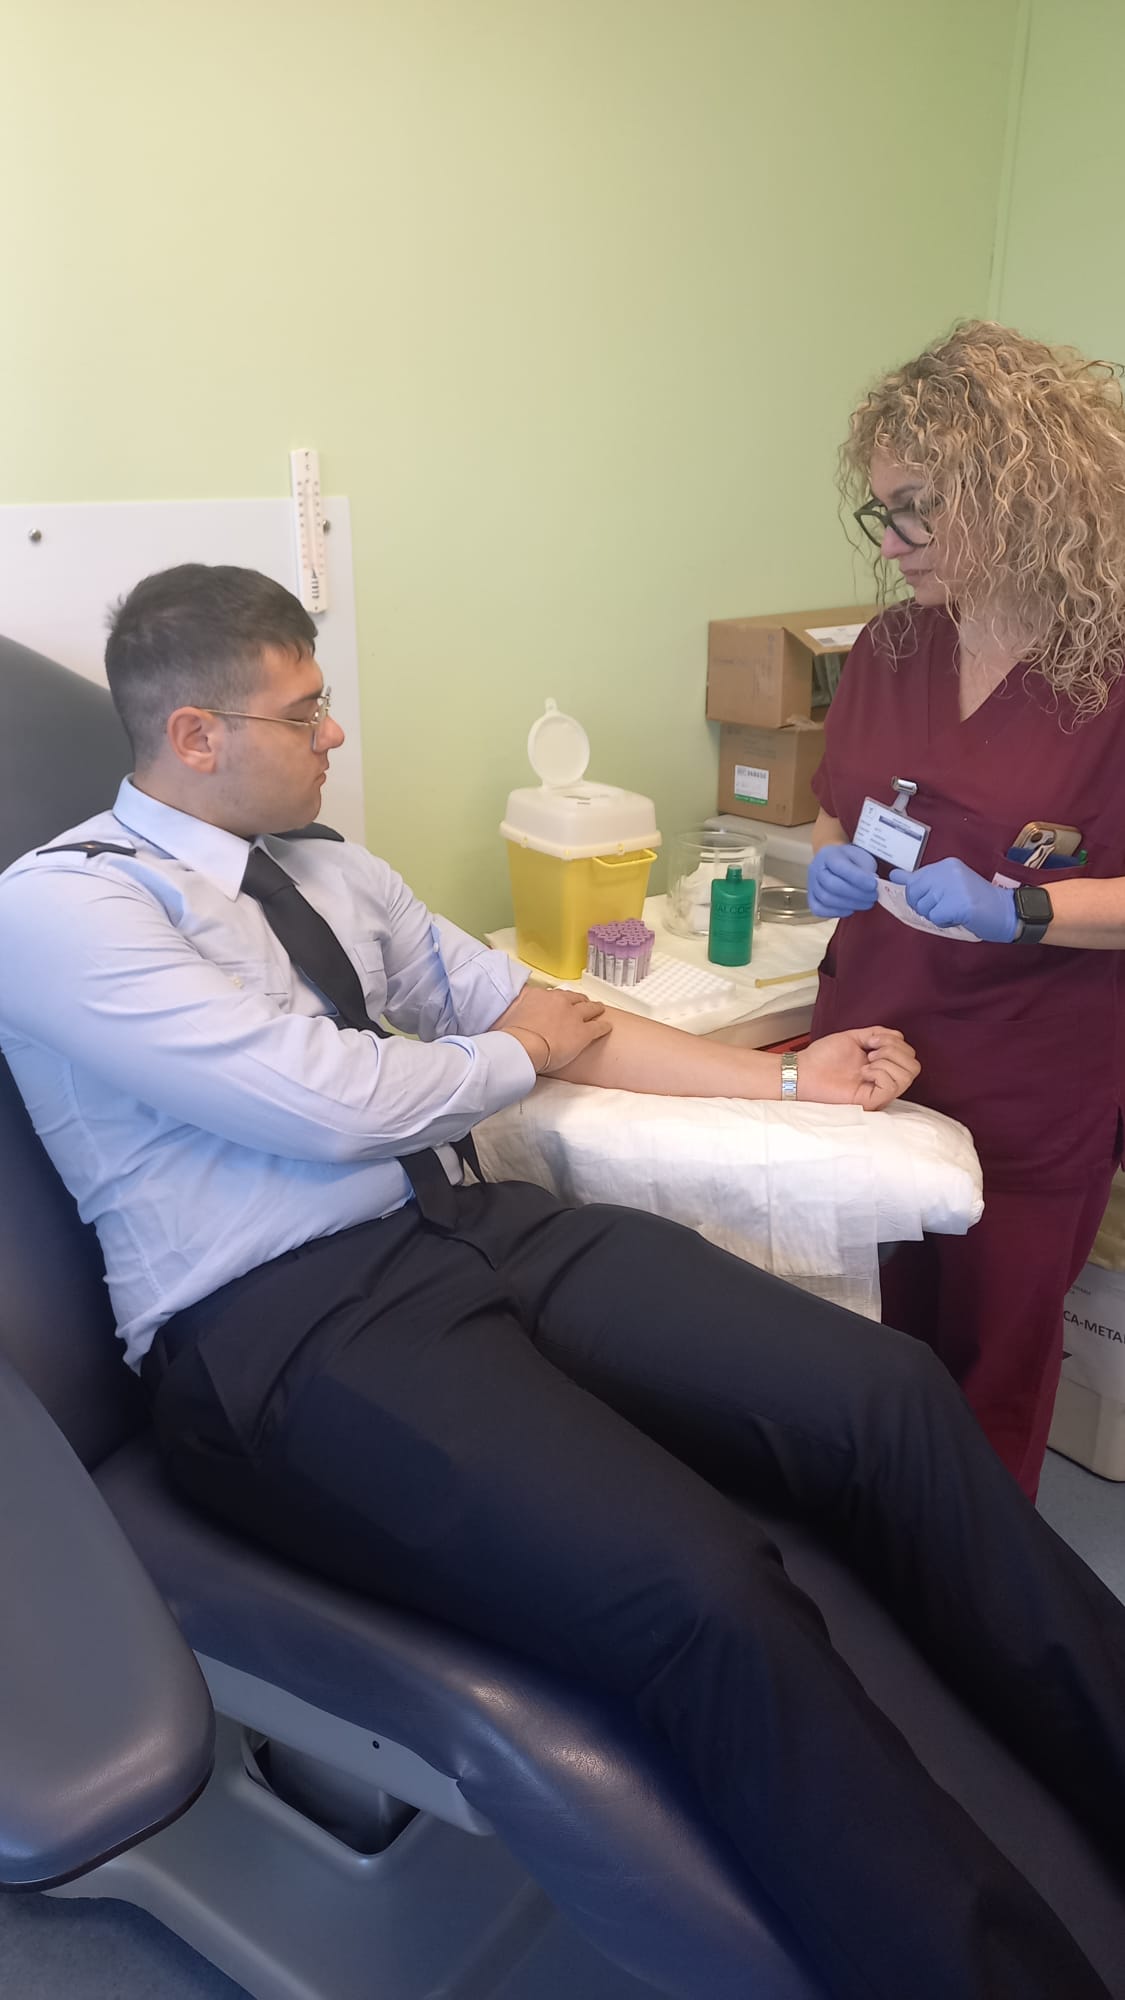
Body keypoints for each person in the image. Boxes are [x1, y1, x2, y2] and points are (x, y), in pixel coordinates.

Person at [2, 564, 1124, 2000]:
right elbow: (327, 1099)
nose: (335, 732)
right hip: (278, 1329)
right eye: (304, 711)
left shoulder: (333, 870)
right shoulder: (66, 907)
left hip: (474, 1230)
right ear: (196, 735)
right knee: (701, 1589)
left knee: (889, 1399)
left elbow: (556, 1018)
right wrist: (517, 1051)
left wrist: (791, 1079)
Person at [807, 320, 1125, 1501]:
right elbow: (840, 812)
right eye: (881, 512)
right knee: (863, 1333)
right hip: (870, 1054)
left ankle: (970, 1575)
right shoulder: (890, 646)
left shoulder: (1108, 668)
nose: (891, 544)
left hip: (1027, 1081)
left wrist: (1022, 910)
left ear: (1021, 494)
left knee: (991, 1362)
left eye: (918, 511)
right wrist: (830, 865)